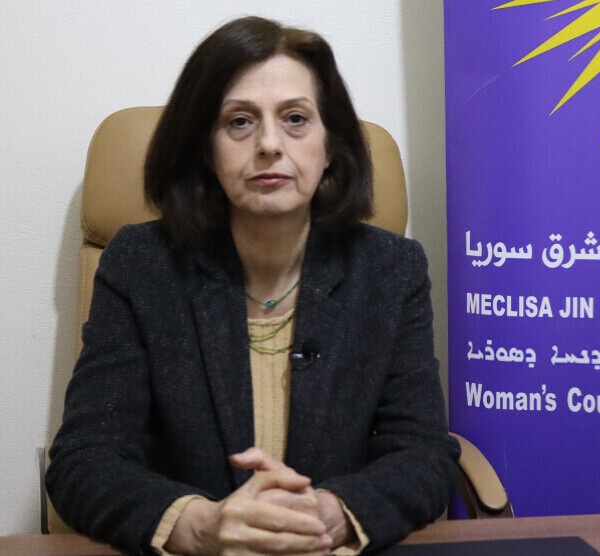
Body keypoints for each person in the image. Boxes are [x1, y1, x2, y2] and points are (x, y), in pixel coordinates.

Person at [46, 16, 459, 555]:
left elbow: (424, 454)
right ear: (205, 149)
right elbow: (85, 459)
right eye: (239, 121)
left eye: (295, 119)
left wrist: (330, 515)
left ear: (331, 146)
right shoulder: (141, 265)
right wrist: (200, 525)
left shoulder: (390, 270)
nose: (269, 144)